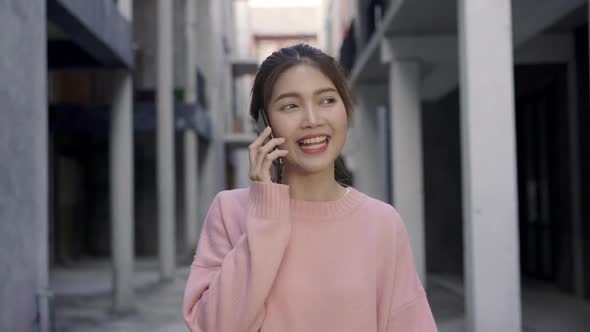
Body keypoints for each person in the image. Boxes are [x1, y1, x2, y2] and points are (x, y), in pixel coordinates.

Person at [183, 44, 437, 332]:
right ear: (264, 124)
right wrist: (266, 216)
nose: (313, 120)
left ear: (345, 110)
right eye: (290, 106)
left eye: (327, 100)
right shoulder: (229, 211)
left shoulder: (382, 222)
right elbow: (214, 326)